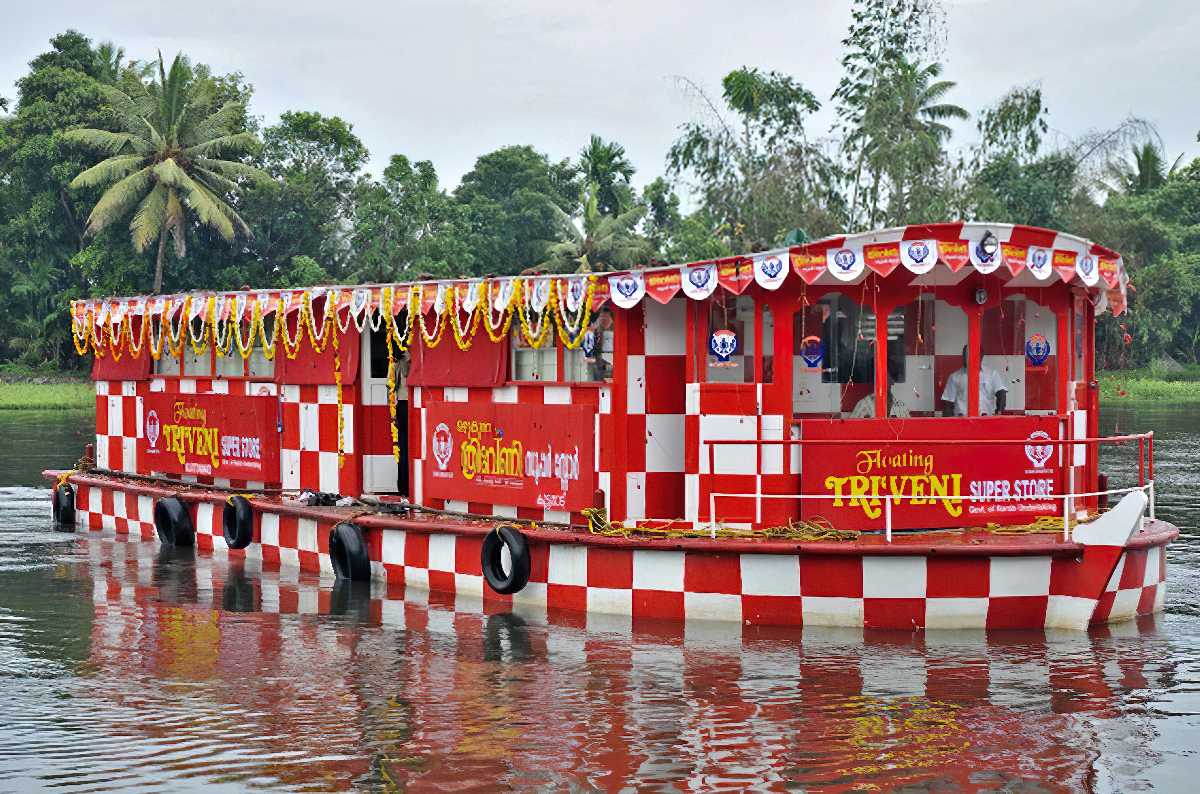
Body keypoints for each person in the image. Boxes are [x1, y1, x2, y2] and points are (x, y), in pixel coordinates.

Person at [941, 346, 1007, 416]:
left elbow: (1001, 394)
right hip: (962, 421)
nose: (969, 358)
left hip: (986, 420)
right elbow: (948, 403)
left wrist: (998, 413)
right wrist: (949, 423)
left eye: (973, 355)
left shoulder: (992, 374)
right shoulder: (955, 376)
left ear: (981, 356)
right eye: (966, 355)